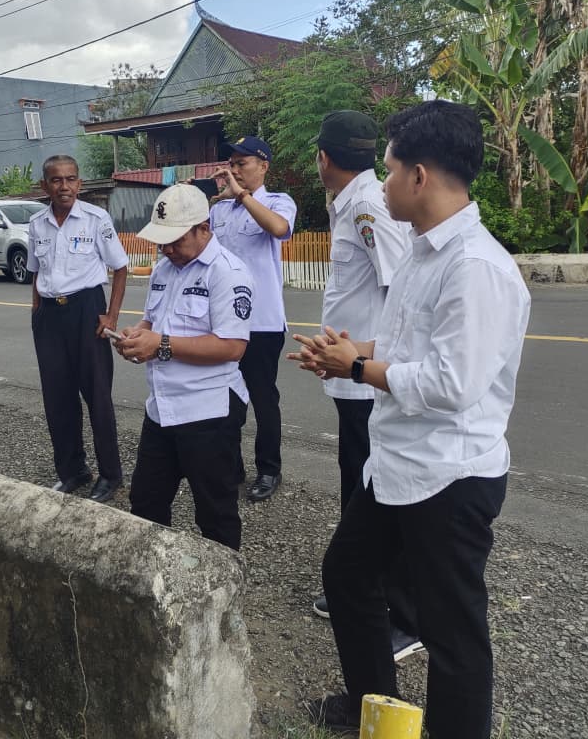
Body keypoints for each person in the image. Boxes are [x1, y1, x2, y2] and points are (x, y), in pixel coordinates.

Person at [289, 101, 531, 739]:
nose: (383, 181)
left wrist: (357, 370)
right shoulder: (425, 254)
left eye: (390, 169)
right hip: (397, 463)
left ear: (419, 176)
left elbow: (451, 384)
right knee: (347, 575)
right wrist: (350, 353)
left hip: (449, 477)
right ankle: (376, 709)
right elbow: (406, 348)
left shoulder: (476, 268)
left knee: (453, 635)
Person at [306, 111, 418, 662]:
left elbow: (398, 289)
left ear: (323, 158)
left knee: (378, 488)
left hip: (366, 377)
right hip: (353, 373)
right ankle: (362, 587)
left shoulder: (369, 206)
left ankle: (400, 609)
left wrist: (361, 361)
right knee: (359, 481)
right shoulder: (350, 203)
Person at [113, 183, 254, 550]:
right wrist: (136, 336)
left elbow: (233, 346)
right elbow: (150, 322)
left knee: (215, 513)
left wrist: (158, 345)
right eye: (162, 241)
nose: (167, 249)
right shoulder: (164, 268)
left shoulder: (227, 272)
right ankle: (156, 586)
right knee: (145, 504)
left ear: (204, 229)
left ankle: (224, 595)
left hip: (209, 410)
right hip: (162, 408)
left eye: (175, 240)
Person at [28, 154, 129, 503]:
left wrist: (111, 316)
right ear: (46, 186)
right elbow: (35, 271)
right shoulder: (37, 223)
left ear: (79, 183)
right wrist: (37, 312)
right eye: (57, 180)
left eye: (71, 179)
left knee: (98, 396)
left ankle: (110, 475)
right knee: (58, 398)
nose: (65, 186)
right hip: (49, 317)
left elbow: (120, 267)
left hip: (87, 311)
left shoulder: (96, 219)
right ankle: (72, 470)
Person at [208, 136, 296, 502]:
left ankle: (268, 469)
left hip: (261, 321)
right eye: (231, 163)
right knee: (225, 397)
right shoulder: (219, 211)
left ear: (264, 166)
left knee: (262, 398)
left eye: (242, 163)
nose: (234, 170)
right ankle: (232, 468)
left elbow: (278, 229)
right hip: (224, 321)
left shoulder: (277, 202)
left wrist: (241, 196)